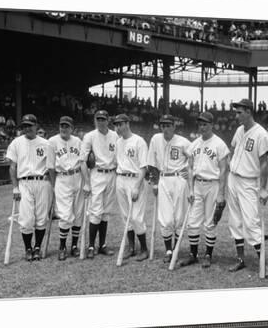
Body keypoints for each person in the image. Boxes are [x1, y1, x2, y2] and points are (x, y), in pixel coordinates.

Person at [226, 99, 268, 277]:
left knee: (251, 223)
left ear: (248, 112)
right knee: (234, 221)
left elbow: (263, 163)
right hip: (233, 178)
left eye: (239, 112)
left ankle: (263, 263)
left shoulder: (261, 134)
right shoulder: (239, 130)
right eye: (236, 112)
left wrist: (263, 188)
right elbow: (233, 149)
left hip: (248, 182)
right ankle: (240, 260)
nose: (236, 115)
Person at [180, 112, 229, 268]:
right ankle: (193, 255)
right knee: (192, 222)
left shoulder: (219, 144)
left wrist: (221, 193)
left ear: (211, 125)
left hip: (213, 184)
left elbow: (223, 170)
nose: (202, 127)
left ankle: (208, 254)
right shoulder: (194, 144)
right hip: (197, 184)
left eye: (205, 124)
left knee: (210, 223)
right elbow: (189, 168)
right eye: (200, 124)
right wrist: (191, 189)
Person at [6, 114, 52, 262]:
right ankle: (28, 249)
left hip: (42, 182)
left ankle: (37, 248)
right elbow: (12, 167)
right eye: (25, 126)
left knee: (41, 217)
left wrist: (51, 179)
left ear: (36, 125)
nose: (27, 128)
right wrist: (15, 187)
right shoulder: (16, 143)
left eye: (30, 125)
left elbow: (52, 165)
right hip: (24, 182)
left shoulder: (46, 143)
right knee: (26, 218)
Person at [147, 114, 191, 263]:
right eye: (163, 125)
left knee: (179, 217)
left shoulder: (184, 142)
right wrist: (154, 182)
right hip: (163, 179)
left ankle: (176, 248)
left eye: (168, 125)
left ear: (174, 126)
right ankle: (168, 250)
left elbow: (195, 158)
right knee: (165, 219)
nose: (165, 128)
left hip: (179, 180)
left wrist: (189, 169)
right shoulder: (155, 139)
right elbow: (151, 163)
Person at [47, 116, 90, 260]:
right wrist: (54, 185)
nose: (63, 129)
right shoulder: (52, 142)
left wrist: (86, 182)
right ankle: (62, 246)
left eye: (67, 126)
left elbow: (83, 163)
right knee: (65, 215)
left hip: (77, 176)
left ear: (72, 128)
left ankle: (74, 246)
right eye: (61, 126)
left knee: (78, 213)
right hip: (62, 178)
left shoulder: (77, 141)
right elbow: (51, 167)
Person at [80, 110, 119, 259]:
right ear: (95, 120)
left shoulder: (115, 136)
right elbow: (82, 161)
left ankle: (102, 245)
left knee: (106, 212)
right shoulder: (90, 136)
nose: (100, 121)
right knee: (96, 211)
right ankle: (91, 245)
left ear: (108, 120)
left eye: (103, 119)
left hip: (112, 173)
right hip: (97, 174)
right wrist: (87, 183)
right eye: (98, 119)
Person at [113, 114, 150, 261]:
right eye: (116, 125)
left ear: (127, 124)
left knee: (136, 217)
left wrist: (136, 186)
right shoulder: (118, 142)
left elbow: (143, 167)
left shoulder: (139, 141)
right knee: (125, 215)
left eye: (120, 124)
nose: (118, 127)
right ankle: (131, 247)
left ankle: (144, 249)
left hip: (135, 179)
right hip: (121, 178)